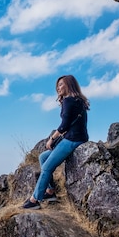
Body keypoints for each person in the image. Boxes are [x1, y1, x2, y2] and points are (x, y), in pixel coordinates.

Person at [23, 75, 90, 210]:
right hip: (79, 137)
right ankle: (50, 191)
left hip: (72, 140)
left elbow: (64, 125)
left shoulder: (68, 100)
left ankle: (35, 199)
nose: (58, 88)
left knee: (47, 168)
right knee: (43, 157)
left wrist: (52, 139)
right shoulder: (78, 100)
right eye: (57, 85)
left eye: (61, 84)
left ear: (69, 85)